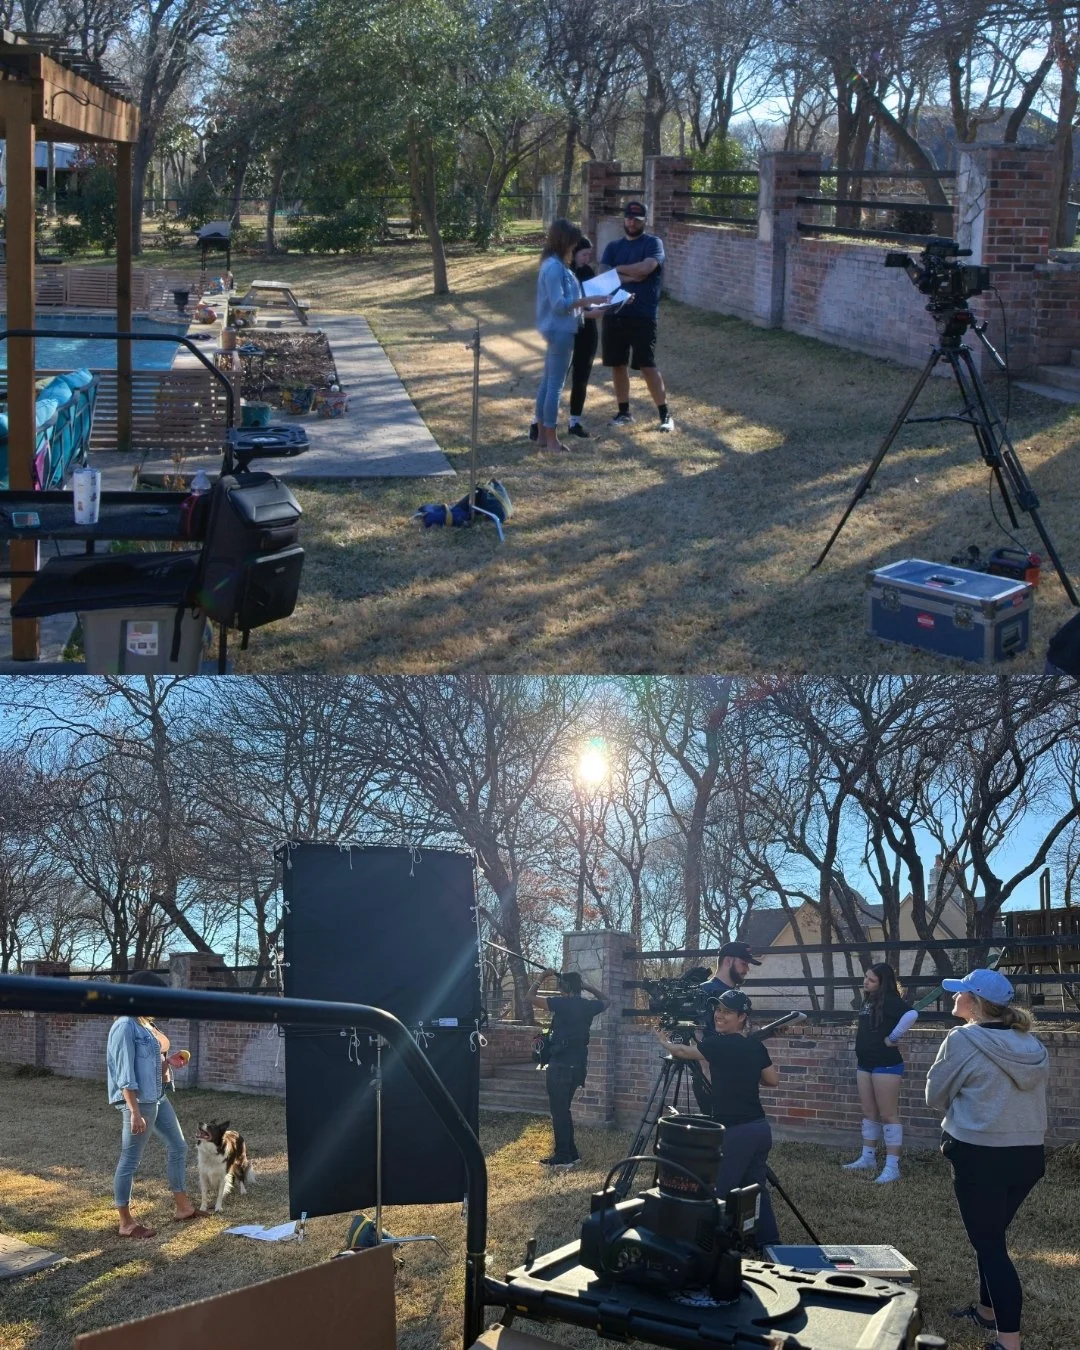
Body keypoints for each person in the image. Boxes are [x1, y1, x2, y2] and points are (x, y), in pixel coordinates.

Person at [926, 969, 1049, 1350]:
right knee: (991, 1236)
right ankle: (986, 1311)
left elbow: (935, 1095)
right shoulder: (1032, 1043)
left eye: (959, 993)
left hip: (979, 1155)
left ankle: (1008, 1343)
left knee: (991, 1245)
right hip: (1028, 1157)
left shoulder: (961, 1039)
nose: (953, 999)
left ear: (976, 1003)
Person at [654, 989, 780, 1247]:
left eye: (727, 1012)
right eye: (718, 1009)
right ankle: (770, 1244)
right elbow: (772, 1080)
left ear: (742, 1016)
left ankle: (704, 1246)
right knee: (754, 1189)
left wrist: (664, 1041)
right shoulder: (755, 1046)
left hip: (736, 1132)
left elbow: (682, 1052)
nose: (719, 1015)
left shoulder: (716, 1044)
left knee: (716, 1192)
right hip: (759, 1129)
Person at [106, 970, 206, 1237]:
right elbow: (124, 1071)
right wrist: (134, 1111)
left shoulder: (146, 1023)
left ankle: (183, 1208)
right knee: (130, 1159)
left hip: (159, 1095)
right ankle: (126, 1223)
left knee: (178, 1146)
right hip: (140, 1101)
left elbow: (152, 1056)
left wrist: (169, 1061)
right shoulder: (125, 1025)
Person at [530, 218, 606, 452]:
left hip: (560, 328)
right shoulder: (554, 267)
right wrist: (588, 301)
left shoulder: (555, 265)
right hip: (560, 330)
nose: (574, 249)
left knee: (547, 383)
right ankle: (551, 438)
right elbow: (559, 304)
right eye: (573, 244)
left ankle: (543, 435)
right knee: (554, 385)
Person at [598, 200, 673, 432]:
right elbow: (603, 276)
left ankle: (665, 415)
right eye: (629, 218)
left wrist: (618, 269)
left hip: (643, 315)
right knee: (617, 365)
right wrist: (630, 275)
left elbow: (646, 269)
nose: (631, 222)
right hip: (615, 313)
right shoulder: (612, 246)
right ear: (624, 219)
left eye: (637, 220)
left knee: (647, 365)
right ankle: (624, 412)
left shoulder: (653, 243)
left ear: (644, 221)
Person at [842, 963, 918, 1184]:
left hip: (886, 1064)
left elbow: (911, 1014)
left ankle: (892, 1167)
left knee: (888, 1114)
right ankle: (868, 1158)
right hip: (865, 1063)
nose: (866, 982)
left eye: (872, 980)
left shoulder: (891, 1001)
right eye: (866, 977)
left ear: (882, 982)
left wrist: (893, 1038)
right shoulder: (869, 999)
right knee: (869, 1112)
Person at [528, 967, 608, 1167]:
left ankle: (563, 1156)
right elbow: (608, 1001)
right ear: (579, 987)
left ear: (563, 987)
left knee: (559, 1111)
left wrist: (541, 977)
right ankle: (571, 1153)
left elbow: (530, 997)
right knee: (564, 1110)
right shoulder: (587, 1006)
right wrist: (589, 987)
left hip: (561, 1065)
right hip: (579, 1064)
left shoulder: (561, 1004)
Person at [567, 236, 600, 438]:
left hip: (588, 331)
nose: (587, 258)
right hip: (569, 330)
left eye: (590, 254)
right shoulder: (565, 274)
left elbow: (595, 298)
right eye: (584, 254)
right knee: (559, 377)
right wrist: (587, 313)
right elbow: (565, 307)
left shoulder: (588, 271)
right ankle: (541, 423)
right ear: (573, 253)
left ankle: (575, 421)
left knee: (582, 377)